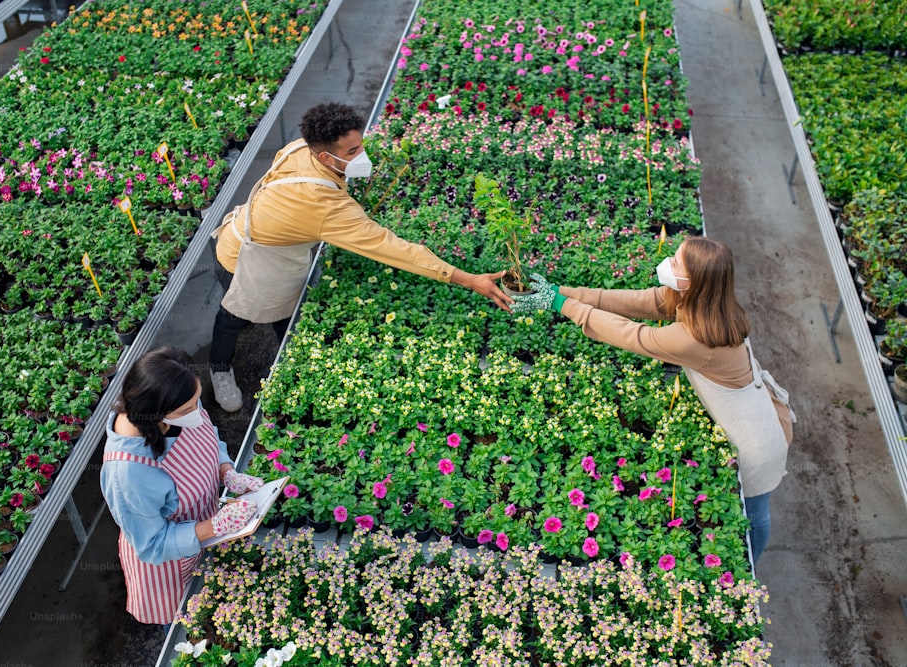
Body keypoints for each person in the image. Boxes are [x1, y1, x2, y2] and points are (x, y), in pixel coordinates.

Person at [207, 102, 512, 411]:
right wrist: (467, 279)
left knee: (278, 311)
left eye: (360, 146)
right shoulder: (327, 209)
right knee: (234, 316)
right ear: (325, 156)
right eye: (352, 152)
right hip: (241, 259)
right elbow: (395, 249)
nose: (361, 156)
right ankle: (220, 369)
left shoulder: (300, 147)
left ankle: (288, 358)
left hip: (264, 240)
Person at [512, 237, 795, 565]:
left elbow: (632, 335)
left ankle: (751, 564)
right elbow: (637, 302)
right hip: (756, 413)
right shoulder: (709, 304)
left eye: (677, 264)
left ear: (696, 282)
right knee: (751, 508)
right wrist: (562, 291)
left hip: (758, 442)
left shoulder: (693, 338)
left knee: (754, 512)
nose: (668, 265)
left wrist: (561, 305)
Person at [100, 347, 265, 627]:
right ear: (154, 413)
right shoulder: (128, 472)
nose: (196, 412)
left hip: (208, 528)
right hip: (169, 566)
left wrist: (225, 470)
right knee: (186, 625)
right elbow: (152, 544)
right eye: (187, 409)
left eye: (196, 401)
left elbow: (207, 437)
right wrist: (216, 526)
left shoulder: (179, 399)